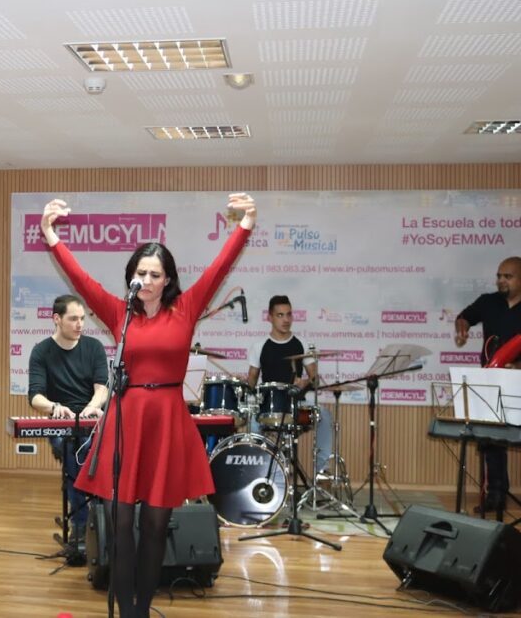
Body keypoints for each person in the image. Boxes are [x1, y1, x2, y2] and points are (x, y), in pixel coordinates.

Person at [40, 194, 255, 618]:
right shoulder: (119, 313)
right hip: (127, 420)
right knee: (119, 525)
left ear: (168, 278)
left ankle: (141, 609)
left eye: (155, 274)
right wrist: (50, 234)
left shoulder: (186, 308)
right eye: (141, 273)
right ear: (132, 277)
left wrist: (246, 224)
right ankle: (126, 612)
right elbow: (81, 280)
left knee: (156, 526)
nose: (148, 280)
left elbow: (219, 268)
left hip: (167, 421)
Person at [28, 294, 109, 543]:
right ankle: (83, 525)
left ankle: (101, 519)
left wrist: (91, 407)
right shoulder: (42, 351)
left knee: (99, 449)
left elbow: (102, 389)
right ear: (57, 319)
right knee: (74, 451)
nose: (80, 324)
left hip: (91, 418)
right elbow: (35, 397)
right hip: (61, 423)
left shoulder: (94, 347)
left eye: (82, 319)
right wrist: (54, 407)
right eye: (73, 319)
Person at [454, 256, 521, 512]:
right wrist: (462, 328)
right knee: (491, 439)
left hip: (519, 380)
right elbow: (464, 317)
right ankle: (495, 494)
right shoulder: (488, 301)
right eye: (499, 276)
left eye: (508, 276)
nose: (501, 280)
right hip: (491, 379)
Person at [246, 295, 333, 475]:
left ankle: (322, 471)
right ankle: (258, 473)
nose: (286, 320)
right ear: (270, 317)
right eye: (280, 315)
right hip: (269, 406)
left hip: (296, 405)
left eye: (289, 314)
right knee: (253, 424)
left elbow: (315, 379)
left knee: (324, 415)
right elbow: (251, 381)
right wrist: (244, 384)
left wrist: (305, 382)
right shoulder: (259, 346)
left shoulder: (302, 344)